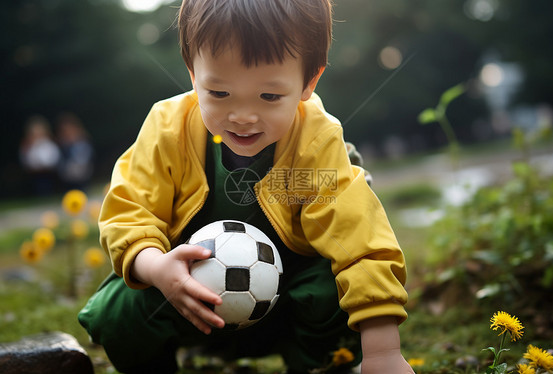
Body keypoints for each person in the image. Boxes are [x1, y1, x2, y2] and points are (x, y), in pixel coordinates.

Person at [78, 1, 413, 373]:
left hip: (287, 311)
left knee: (329, 288)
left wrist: (384, 352)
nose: (242, 117)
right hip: (186, 300)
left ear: (309, 82)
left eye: (269, 97)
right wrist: (156, 268)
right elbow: (129, 210)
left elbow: (360, 238)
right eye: (219, 94)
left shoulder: (316, 142)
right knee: (118, 310)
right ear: (193, 74)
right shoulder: (167, 129)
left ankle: (318, 366)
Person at [19, 115, 61, 195]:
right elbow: (26, 159)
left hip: (49, 173)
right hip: (34, 174)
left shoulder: (49, 144)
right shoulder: (28, 146)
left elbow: (54, 157)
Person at [55, 112, 95, 191]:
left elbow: (84, 159)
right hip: (67, 177)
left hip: (81, 174)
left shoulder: (82, 142)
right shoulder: (62, 145)